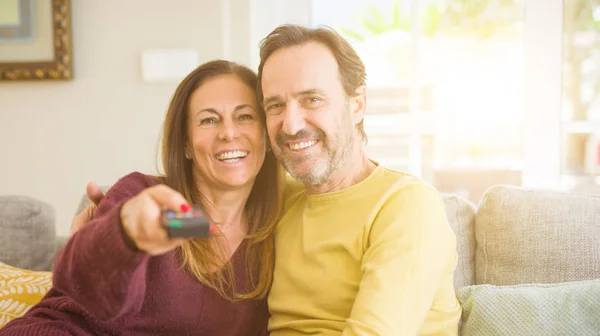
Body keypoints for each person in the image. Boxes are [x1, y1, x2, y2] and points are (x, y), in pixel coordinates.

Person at [73, 24, 461, 336]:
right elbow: (206, 225)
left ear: (357, 103)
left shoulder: (406, 206)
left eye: (312, 99)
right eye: (275, 106)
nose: (291, 124)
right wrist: (112, 231)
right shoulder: (278, 202)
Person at [0, 60, 283, 335]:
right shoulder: (140, 194)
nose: (229, 133)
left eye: (245, 116)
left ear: (266, 135)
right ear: (185, 142)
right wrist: (121, 235)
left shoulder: (274, 230)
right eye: (209, 119)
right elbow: (84, 287)